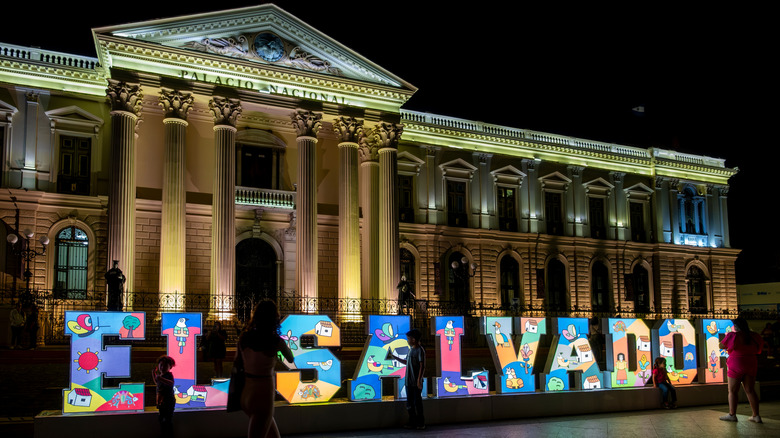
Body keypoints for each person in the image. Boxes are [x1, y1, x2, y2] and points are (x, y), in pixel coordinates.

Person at [237, 300, 294, 438]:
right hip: (263, 394)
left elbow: (239, 361)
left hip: (245, 393)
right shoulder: (275, 341)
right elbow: (290, 358)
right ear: (274, 318)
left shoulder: (244, 337)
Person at [719, 316, 763, 423]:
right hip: (751, 362)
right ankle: (756, 416)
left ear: (736, 326)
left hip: (736, 362)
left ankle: (732, 415)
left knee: (732, 391)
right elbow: (759, 349)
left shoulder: (733, 335)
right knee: (750, 390)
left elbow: (721, 345)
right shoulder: (755, 336)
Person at [396, 328, 426, 430]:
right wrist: (396, 358)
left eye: (408, 338)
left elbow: (422, 366)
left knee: (417, 403)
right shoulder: (411, 350)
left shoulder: (420, 350)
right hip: (408, 382)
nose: (407, 340)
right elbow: (407, 362)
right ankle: (412, 422)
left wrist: (419, 380)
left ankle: (420, 423)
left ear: (413, 339)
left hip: (415, 383)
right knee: (410, 404)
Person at [152, 355, 176, 438]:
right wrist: (154, 374)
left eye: (165, 366)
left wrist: (160, 378)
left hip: (168, 401)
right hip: (161, 401)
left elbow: (171, 383)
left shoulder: (169, 375)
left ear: (170, 367)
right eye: (161, 365)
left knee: (168, 420)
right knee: (161, 419)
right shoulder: (161, 376)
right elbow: (156, 382)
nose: (162, 367)